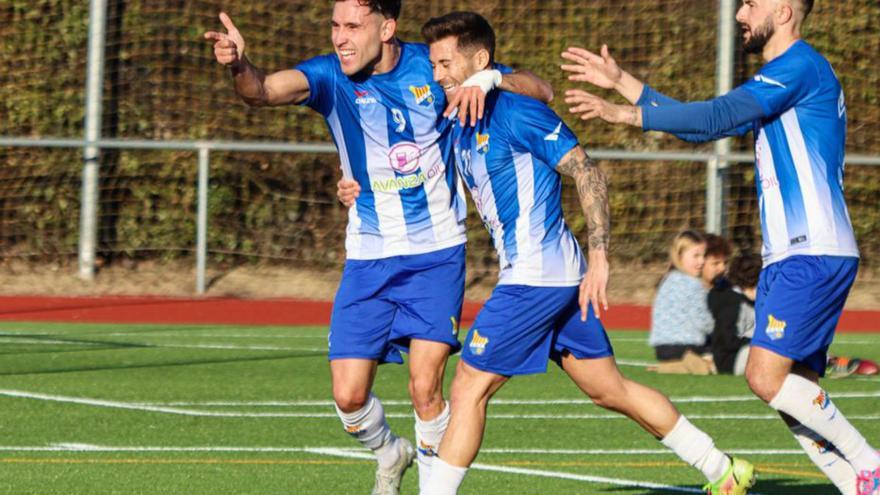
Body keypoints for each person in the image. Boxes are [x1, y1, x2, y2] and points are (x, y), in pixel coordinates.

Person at [343, 11, 754, 495]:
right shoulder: (455, 117)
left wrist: (600, 255)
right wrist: (357, 186)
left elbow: (586, 170)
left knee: (468, 386)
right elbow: (409, 160)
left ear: (479, 61)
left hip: (539, 277)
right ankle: (722, 469)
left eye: (446, 64)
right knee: (609, 389)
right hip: (549, 277)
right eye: (433, 65)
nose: (437, 76)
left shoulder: (516, 111)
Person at [204, 2, 552, 493]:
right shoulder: (328, 75)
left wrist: (489, 79)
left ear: (386, 28)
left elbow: (543, 90)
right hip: (367, 256)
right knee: (348, 397)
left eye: (352, 26)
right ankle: (391, 452)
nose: (340, 37)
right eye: (335, 25)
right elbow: (261, 92)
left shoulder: (434, 65)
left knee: (425, 388)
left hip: (436, 254)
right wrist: (240, 64)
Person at [560, 1, 879, 493]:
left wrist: (624, 112)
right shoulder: (782, 78)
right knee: (794, 391)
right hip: (793, 254)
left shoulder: (800, 66)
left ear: (786, 9)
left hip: (810, 250)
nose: (740, 14)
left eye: (751, 3)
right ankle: (861, 484)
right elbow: (712, 120)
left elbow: (714, 117)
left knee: (764, 377)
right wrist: (624, 82)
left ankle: (867, 461)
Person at [650, 230, 715, 368]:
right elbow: (702, 321)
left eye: (703, 256)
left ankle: (674, 365)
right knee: (722, 353)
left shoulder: (667, 280)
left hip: (662, 349)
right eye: (696, 256)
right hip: (686, 347)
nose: (701, 261)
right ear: (679, 256)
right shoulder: (693, 284)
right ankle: (699, 363)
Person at [709, 253, 762, 376]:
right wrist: (756, 340)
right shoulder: (733, 303)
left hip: (746, 351)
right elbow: (727, 340)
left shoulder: (753, 302)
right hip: (731, 360)